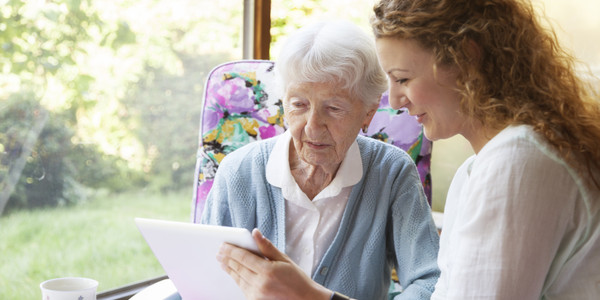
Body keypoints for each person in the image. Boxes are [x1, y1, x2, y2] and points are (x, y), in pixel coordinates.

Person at [371, 0, 600, 299]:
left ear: (466, 58)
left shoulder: (517, 161)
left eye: (402, 78)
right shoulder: (479, 168)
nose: (394, 100)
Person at [201, 20, 440, 300]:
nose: (313, 127)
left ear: (368, 113)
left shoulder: (392, 173)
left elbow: (431, 283)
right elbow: (204, 278)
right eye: (299, 104)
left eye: (334, 108)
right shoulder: (237, 171)